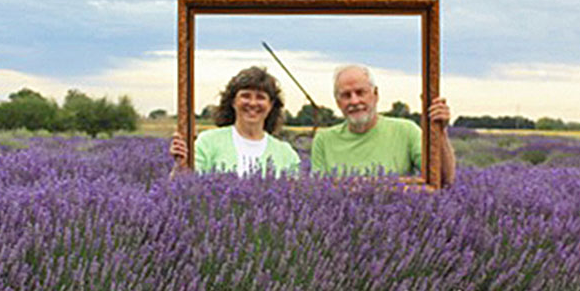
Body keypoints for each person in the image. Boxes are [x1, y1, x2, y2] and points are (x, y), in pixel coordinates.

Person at [310, 64, 456, 187]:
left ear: (375, 94)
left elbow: (443, 180)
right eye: (346, 95)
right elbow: (318, 191)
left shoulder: (406, 131)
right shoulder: (323, 140)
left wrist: (440, 132)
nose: (354, 101)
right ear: (337, 102)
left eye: (361, 93)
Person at [170, 66, 301, 176]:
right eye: (245, 96)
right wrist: (180, 166)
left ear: (271, 105)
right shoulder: (207, 143)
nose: (253, 103)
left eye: (260, 97)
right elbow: (184, 190)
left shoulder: (286, 155)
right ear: (233, 101)